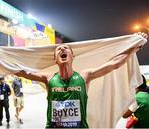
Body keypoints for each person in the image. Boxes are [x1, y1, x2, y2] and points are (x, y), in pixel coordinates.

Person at [15, 33, 148, 128]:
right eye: (58, 49)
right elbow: (22, 72)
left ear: (72, 56)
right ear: (55, 59)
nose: (62, 48)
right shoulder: (48, 78)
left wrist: (135, 46)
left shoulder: (85, 76)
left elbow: (114, 64)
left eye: (66, 48)